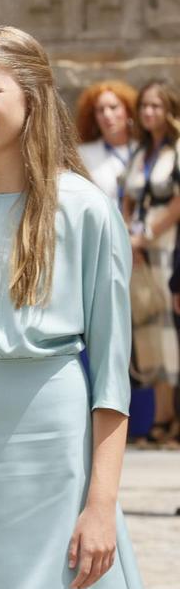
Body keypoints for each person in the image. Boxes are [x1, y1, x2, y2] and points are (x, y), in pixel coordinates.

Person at [0, 25, 146, 589]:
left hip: (53, 450)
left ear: (32, 95)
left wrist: (100, 505)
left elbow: (113, 377)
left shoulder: (87, 209)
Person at [123, 79, 180, 447]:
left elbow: (177, 202)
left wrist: (145, 235)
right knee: (149, 335)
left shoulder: (176, 149)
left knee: (172, 334)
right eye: (144, 106)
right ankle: (162, 417)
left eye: (156, 106)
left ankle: (174, 420)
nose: (149, 113)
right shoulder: (140, 152)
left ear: (169, 109)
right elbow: (128, 199)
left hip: (168, 249)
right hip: (140, 252)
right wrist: (131, 236)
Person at [76, 81, 137, 203]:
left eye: (114, 107)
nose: (107, 114)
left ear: (128, 111)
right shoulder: (82, 154)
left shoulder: (144, 148)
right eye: (100, 110)